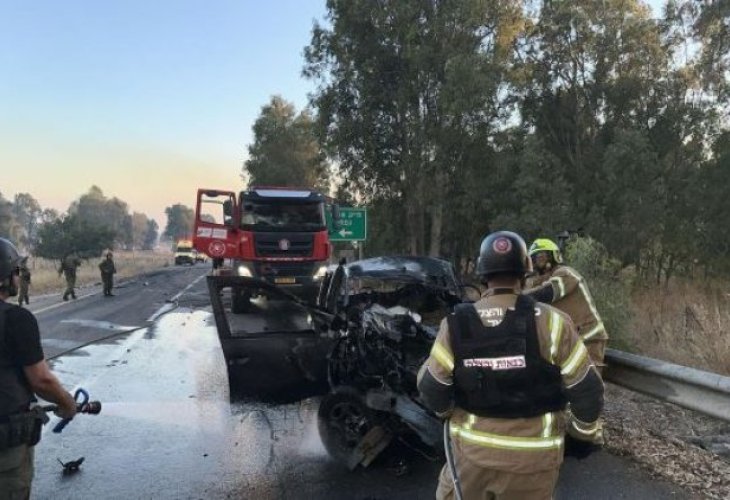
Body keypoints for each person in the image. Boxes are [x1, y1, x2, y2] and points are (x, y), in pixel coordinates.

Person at [417, 231, 604, 500]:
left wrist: (447, 411)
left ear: (482, 274)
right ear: (525, 273)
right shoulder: (553, 323)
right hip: (535, 463)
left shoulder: (456, 323)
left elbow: (432, 386)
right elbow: (588, 391)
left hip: (471, 459)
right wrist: (581, 437)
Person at [0, 237, 77, 499]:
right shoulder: (16, 320)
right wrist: (67, 403)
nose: (18, 278)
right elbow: (41, 381)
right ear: (6, 276)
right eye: (16, 272)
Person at [524, 238, 608, 372]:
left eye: (542, 257)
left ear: (554, 256)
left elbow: (547, 292)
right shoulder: (536, 282)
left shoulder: (566, 274)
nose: (539, 262)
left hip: (588, 339)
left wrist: (514, 299)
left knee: (589, 385)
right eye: (535, 259)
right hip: (568, 342)